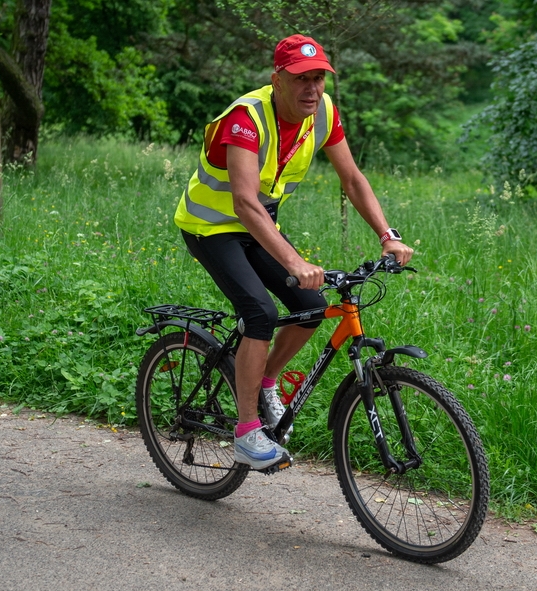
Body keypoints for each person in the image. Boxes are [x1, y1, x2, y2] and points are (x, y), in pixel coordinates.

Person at [174, 34, 413, 471]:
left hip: (259, 227)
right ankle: (246, 431)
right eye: (302, 78)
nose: (313, 88)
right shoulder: (246, 118)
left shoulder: (322, 113)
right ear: (277, 79)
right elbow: (244, 202)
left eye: (319, 77)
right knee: (260, 312)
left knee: (309, 306)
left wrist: (387, 235)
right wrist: (294, 261)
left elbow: (353, 179)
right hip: (212, 227)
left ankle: (265, 380)